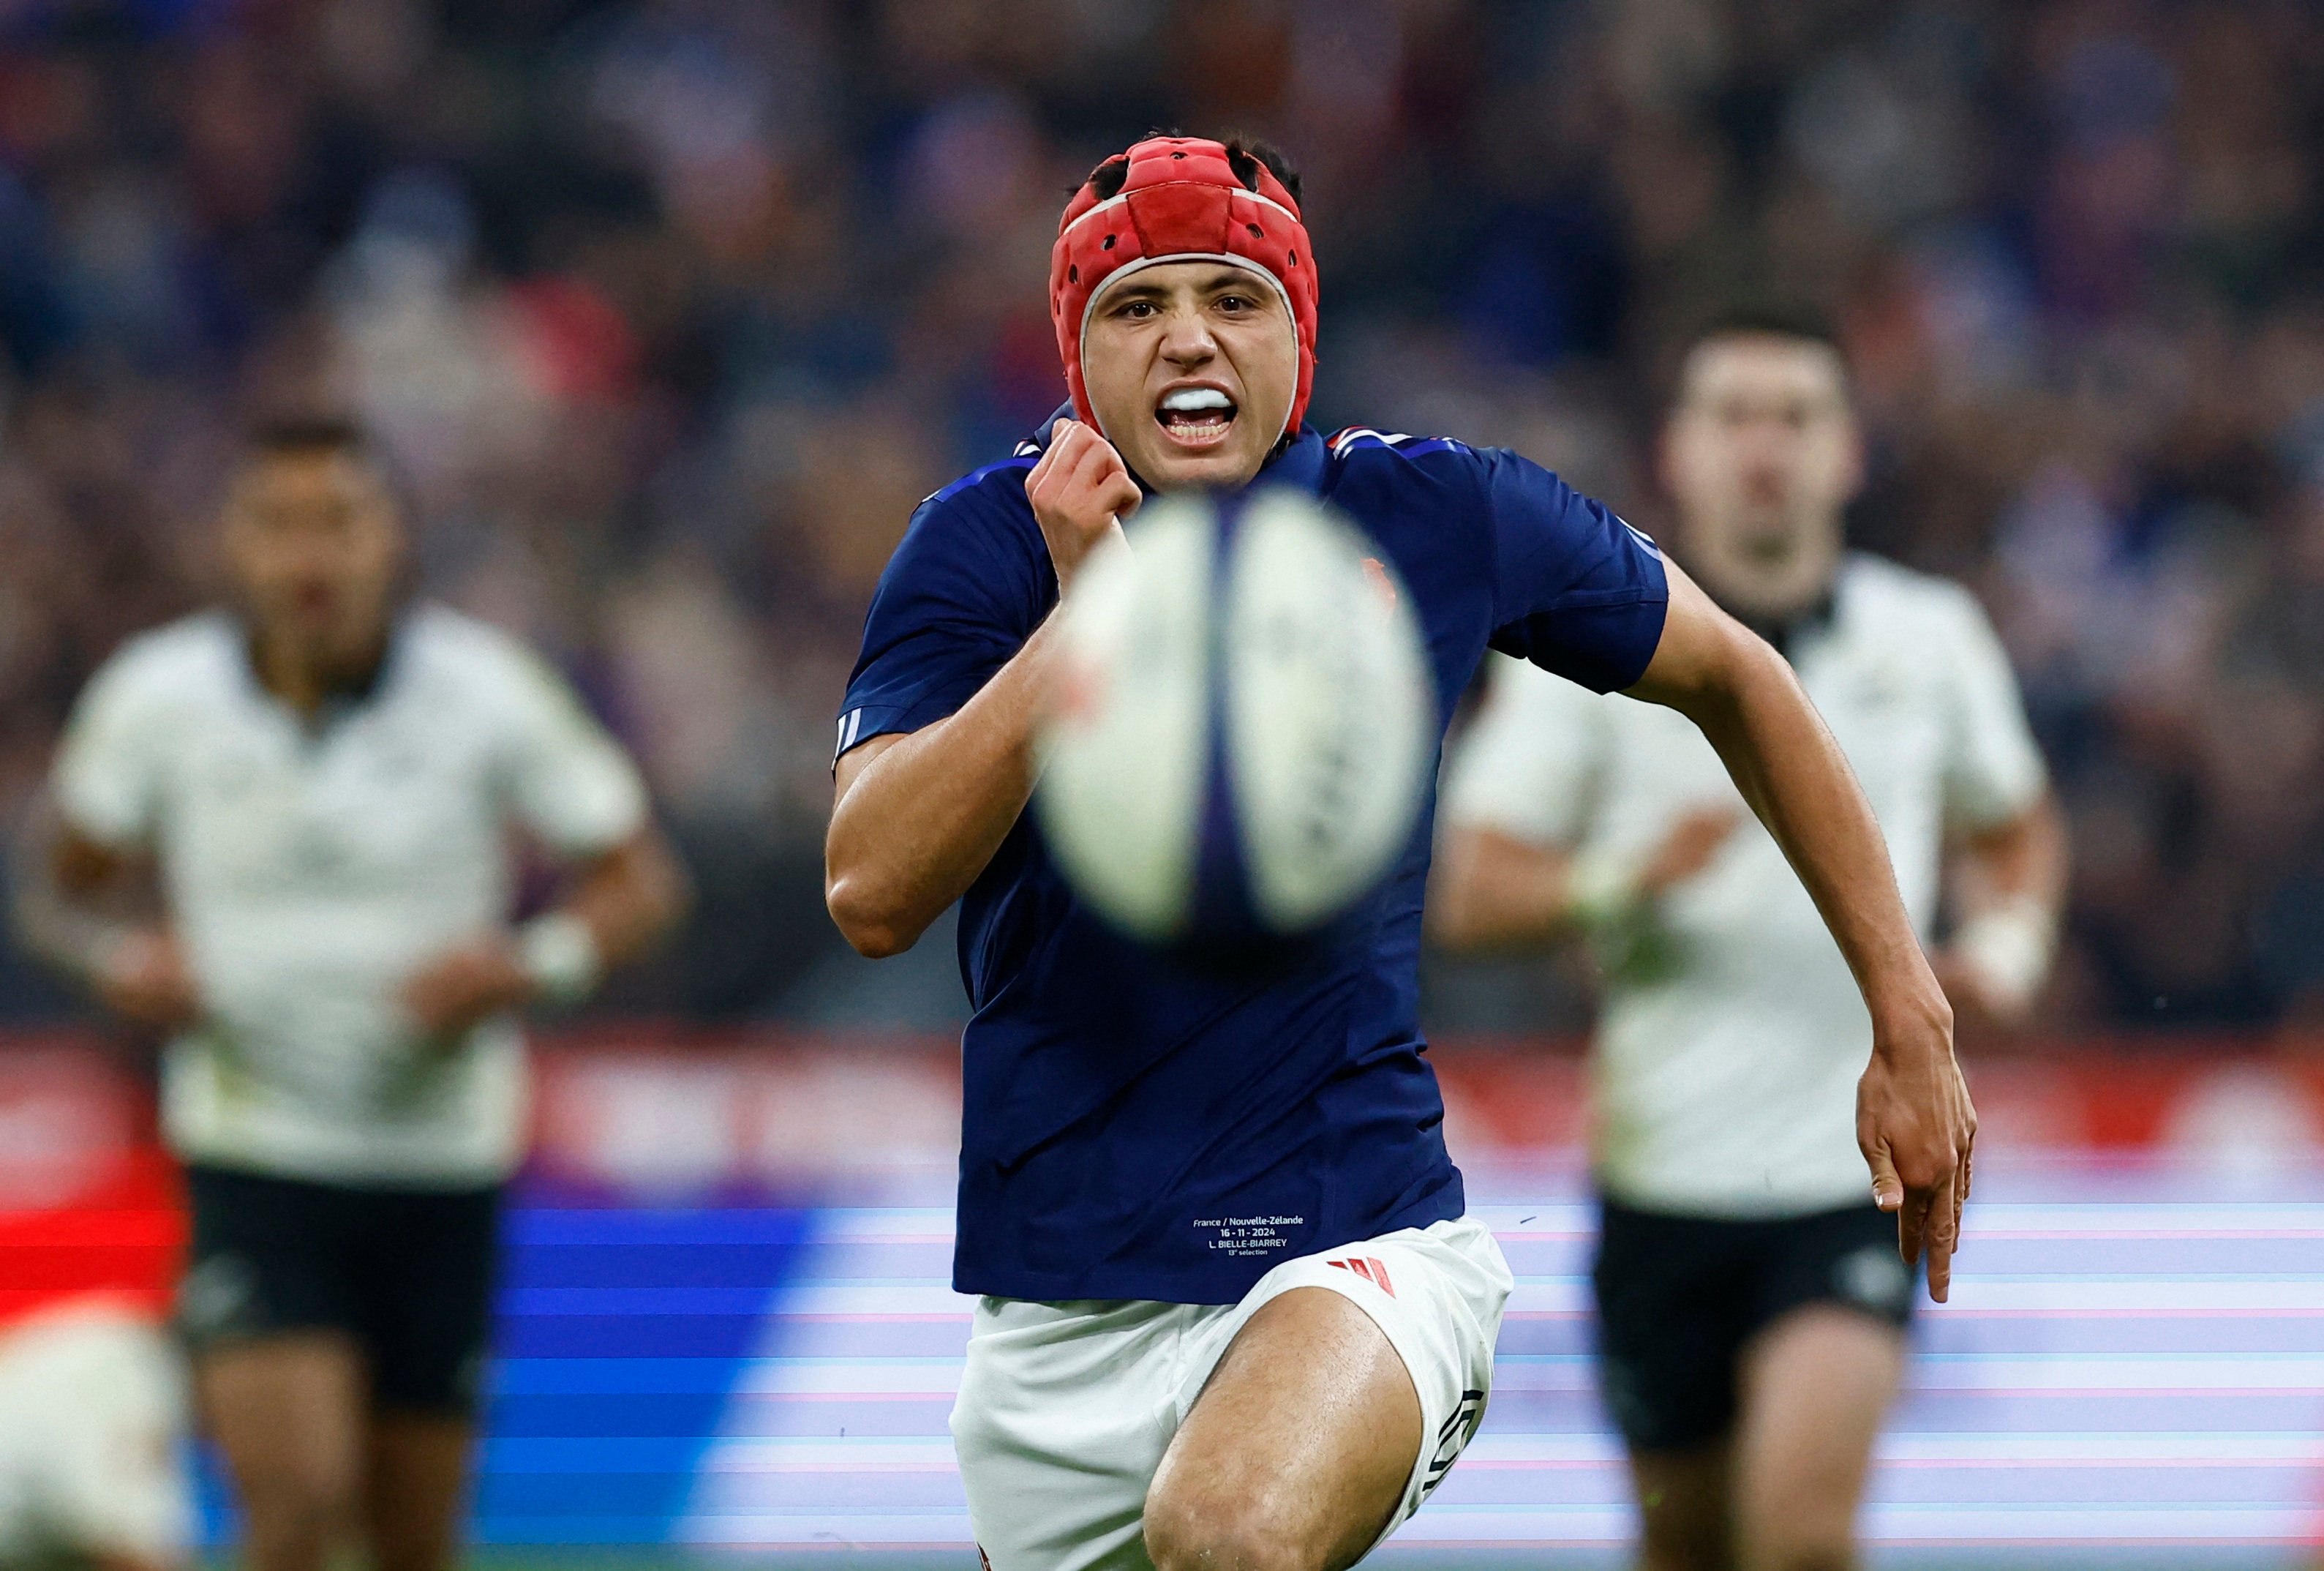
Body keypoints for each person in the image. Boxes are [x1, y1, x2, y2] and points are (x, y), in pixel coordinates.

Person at [824, 135, 1974, 1571]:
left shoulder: (1434, 512)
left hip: (1350, 1250)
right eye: (1135, 307)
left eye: (1234, 298)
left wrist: (1907, 1014)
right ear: (1076, 358)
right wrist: (1084, 632)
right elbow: (869, 890)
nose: (1188, 335)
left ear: (1296, 335)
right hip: (1059, 1307)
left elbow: (1739, 676)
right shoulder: (979, 549)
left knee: (1232, 1534)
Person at [1432, 307, 2067, 1571]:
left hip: (1852, 1175)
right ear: (1677, 450)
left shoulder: (1926, 637)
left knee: (1799, 1535)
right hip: (1660, 1183)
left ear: (1850, 453)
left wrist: (2010, 941)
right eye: (1733, 415)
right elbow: (1466, 892)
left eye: (1796, 416)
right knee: (1685, 1552)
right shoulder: (1590, 650)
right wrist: (1617, 882)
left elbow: (2016, 822)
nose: (1763, 447)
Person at [14, 418, 688, 1571]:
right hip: (255, 1151)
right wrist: (119, 962)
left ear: (394, 541)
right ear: (236, 546)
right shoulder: (159, 697)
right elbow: (52, 890)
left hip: (441, 1160)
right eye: (280, 527)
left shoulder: (484, 692)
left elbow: (639, 878)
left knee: (412, 1543)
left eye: (338, 523)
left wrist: (532, 965)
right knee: (297, 1510)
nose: (308, 559)